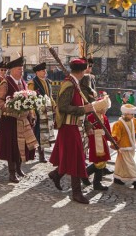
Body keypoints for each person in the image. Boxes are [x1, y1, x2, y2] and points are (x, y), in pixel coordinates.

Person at [48, 58, 94, 203]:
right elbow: (62, 107)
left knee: (71, 157)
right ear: (81, 71)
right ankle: (76, 192)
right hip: (69, 127)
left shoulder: (75, 83)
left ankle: (57, 174)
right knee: (76, 159)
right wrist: (82, 109)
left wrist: (86, 124)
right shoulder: (69, 84)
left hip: (75, 126)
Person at [0, 57, 37, 183]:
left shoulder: (24, 83)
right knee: (12, 147)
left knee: (22, 146)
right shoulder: (5, 83)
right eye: (19, 69)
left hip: (23, 121)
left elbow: (28, 102)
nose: (21, 72)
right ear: (12, 70)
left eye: (22, 69)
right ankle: (12, 173)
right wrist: (10, 107)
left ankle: (19, 168)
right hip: (10, 121)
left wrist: (31, 115)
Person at [110, 103, 136, 189]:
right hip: (123, 147)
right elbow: (115, 134)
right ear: (125, 113)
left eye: (133, 114)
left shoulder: (133, 120)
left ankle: (117, 177)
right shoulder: (118, 124)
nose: (133, 116)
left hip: (131, 146)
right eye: (131, 114)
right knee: (130, 163)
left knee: (121, 163)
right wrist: (114, 142)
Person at [27, 62, 55, 163]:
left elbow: (50, 96)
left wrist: (54, 105)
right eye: (43, 70)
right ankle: (40, 155)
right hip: (38, 112)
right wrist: (32, 113)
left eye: (45, 70)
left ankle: (37, 153)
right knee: (38, 134)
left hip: (47, 111)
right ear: (37, 72)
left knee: (45, 134)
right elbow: (31, 98)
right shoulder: (32, 83)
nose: (45, 72)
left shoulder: (48, 82)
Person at [86, 93, 112, 191]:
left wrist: (112, 140)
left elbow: (108, 130)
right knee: (99, 162)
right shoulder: (91, 117)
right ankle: (93, 180)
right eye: (105, 108)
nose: (106, 110)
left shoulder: (104, 117)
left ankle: (89, 177)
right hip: (95, 141)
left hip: (102, 141)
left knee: (102, 162)